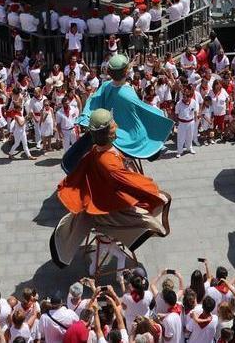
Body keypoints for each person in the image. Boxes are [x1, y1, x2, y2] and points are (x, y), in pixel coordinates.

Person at [50, 109, 171, 268]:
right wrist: (154, 190)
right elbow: (133, 184)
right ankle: (125, 236)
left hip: (102, 201)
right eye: (113, 124)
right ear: (107, 132)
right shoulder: (108, 163)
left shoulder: (95, 151)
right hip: (110, 211)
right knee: (156, 210)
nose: (116, 125)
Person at [69, 54, 174, 164]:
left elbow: (93, 101)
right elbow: (143, 111)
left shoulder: (105, 85)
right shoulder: (127, 93)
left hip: (106, 129)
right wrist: (159, 114)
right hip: (124, 135)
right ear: (126, 72)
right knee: (145, 133)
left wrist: (85, 117)